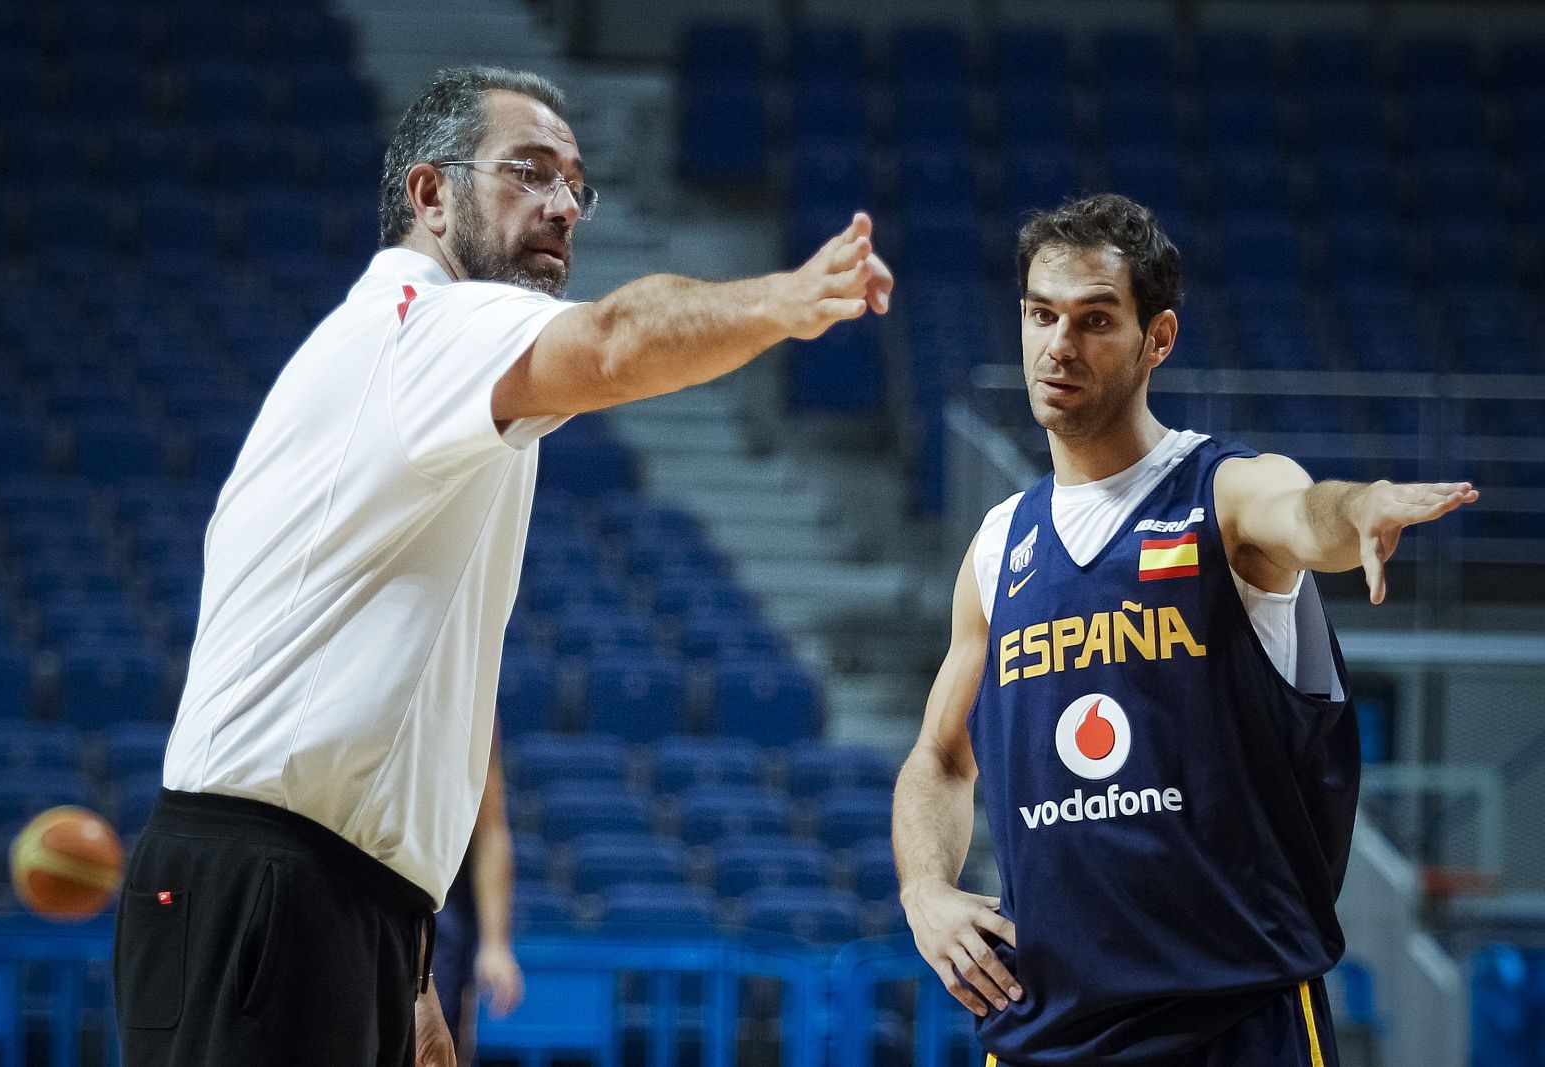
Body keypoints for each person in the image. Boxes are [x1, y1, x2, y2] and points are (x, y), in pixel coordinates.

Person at [113, 65, 892, 1067]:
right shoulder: (422, 325)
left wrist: (405, 960)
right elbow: (615, 339)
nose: (563, 204)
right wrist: (785, 299)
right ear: (430, 194)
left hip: (326, 890)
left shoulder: (425, 367)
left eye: (576, 184)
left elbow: (369, 700)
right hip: (266, 884)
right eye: (528, 171)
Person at [891, 193, 1476, 1067]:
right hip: (1044, 1031)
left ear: (1157, 338)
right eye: (1042, 315)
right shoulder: (999, 543)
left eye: (1095, 320)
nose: (1059, 345)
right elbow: (940, 757)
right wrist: (925, 889)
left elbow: (1300, 510)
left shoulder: (1222, 490)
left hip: (1231, 1025)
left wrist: (1360, 508)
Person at [430, 724, 524, 1061]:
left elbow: (490, 828)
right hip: (362, 894)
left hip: (441, 911)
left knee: (443, 1046)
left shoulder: (472, 687)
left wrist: (496, 944)